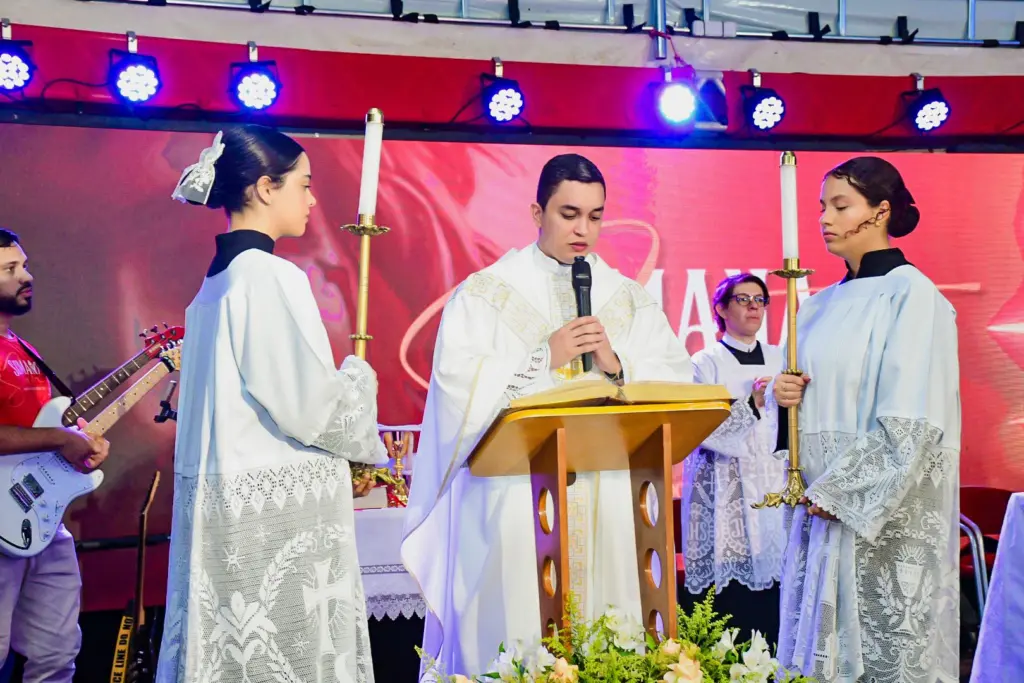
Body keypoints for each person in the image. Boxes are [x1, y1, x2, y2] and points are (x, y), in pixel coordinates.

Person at [401, 153, 694, 678]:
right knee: (517, 634)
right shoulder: (487, 293)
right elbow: (456, 388)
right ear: (537, 213)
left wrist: (617, 364)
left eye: (595, 216)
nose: (584, 230)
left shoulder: (626, 298)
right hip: (515, 497)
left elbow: (678, 378)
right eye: (569, 214)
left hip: (608, 495)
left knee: (609, 634)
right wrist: (544, 358)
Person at [155, 126, 387, 683]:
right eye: (303, 185)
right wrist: (358, 382)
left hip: (229, 508)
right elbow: (307, 405)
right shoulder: (269, 275)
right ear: (265, 188)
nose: (312, 200)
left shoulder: (215, 284)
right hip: (276, 519)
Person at [771, 157, 960, 682]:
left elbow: (914, 416)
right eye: (821, 207)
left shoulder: (913, 296)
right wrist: (782, 397)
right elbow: (801, 405)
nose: (824, 218)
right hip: (818, 509)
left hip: (876, 517)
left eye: (840, 205)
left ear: (880, 211)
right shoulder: (816, 306)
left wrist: (840, 493)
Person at [0, 228, 111, 682]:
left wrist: (82, 447)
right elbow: (47, 437)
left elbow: (43, 433)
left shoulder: (25, 349)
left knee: (57, 654)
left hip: (41, 519)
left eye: (24, 265)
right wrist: (60, 440)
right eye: (10, 269)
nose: (26, 276)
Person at [678, 273, 785, 644]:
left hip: (773, 482)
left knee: (778, 583)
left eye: (760, 300)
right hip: (727, 489)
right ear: (721, 310)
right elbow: (698, 429)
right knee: (733, 600)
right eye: (743, 299)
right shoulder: (705, 363)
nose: (754, 307)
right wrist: (752, 404)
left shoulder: (781, 358)